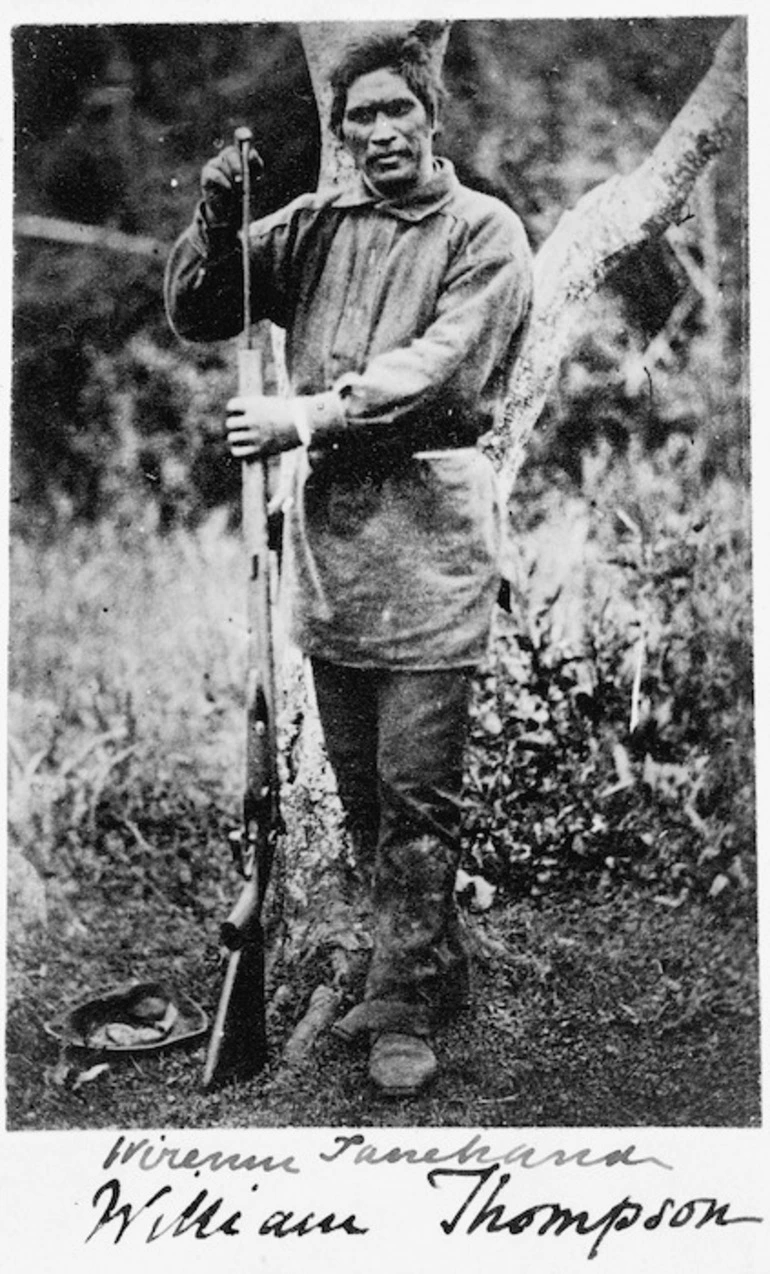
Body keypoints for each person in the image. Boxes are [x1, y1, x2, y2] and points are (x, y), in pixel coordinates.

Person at [165, 32, 533, 1097]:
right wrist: (218, 219)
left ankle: (405, 1005)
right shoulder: (323, 225)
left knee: (420, 790)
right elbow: (203, 310)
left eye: (393, 113)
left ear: (431, 120)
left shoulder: (483, 234)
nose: (376, 133)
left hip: (431, 539)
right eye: (356, 119)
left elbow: (435, 375)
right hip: (335, 545)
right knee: (366, 793)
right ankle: (421, 967)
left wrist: (305, 415)